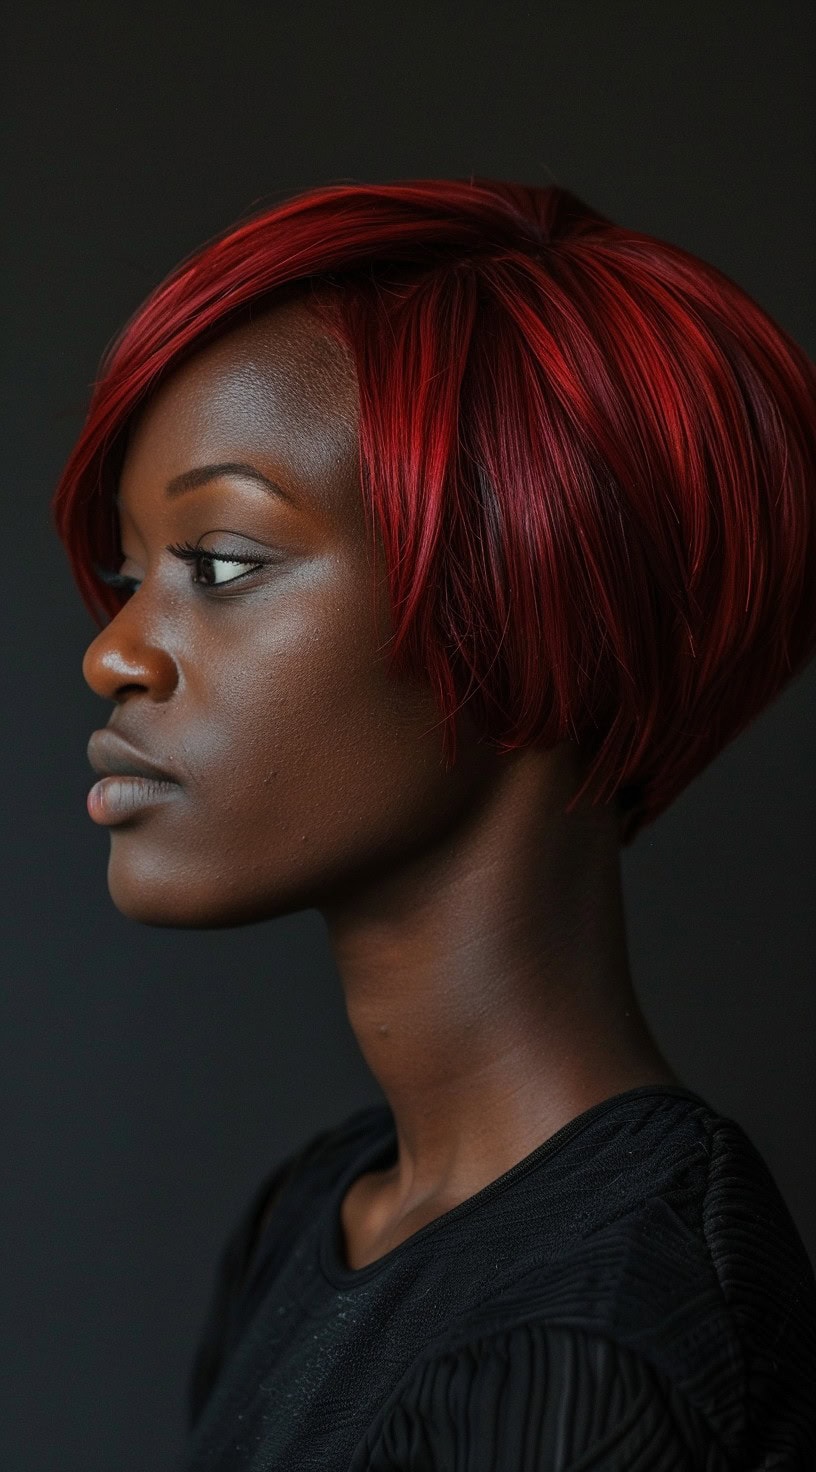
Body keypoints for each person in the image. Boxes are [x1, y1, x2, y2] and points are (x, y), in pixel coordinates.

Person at [54, 178, 816, 1468]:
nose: (115, 655)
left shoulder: (581, 1347)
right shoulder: (319, 1215)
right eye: (132, 578)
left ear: (533, 601)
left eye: (223, 563)